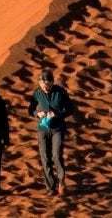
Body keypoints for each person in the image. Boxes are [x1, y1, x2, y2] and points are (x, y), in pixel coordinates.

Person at [30, 66, 78, 197]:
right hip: (42, 129)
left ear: (52, 82)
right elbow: (30, 109)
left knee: (56, 155)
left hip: (57, 129)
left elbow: (70, 109)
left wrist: (57, 114)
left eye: (47, 84)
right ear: (39, 83)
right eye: (42, 84)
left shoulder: (60, 92)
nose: (45, 87)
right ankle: (50, 187)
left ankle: (61, 183)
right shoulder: (36, 93)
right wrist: (37, 113)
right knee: (45, 158)